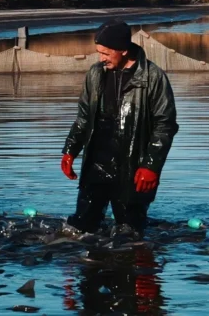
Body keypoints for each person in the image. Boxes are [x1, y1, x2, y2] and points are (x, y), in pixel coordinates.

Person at [61, 19, 178, 236]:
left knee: (130, 231)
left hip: (133, 166)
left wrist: (151, 165)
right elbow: (84, 116)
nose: (101, 58)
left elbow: (165, 125)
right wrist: (70, 150)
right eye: (99, 52)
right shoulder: (95, 74)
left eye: (106, 53)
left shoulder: (153, 78)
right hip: (96, 162)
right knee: (81, 228)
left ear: (123, 50)